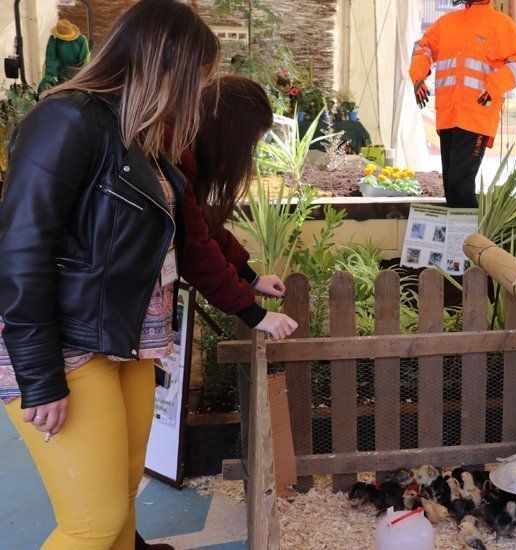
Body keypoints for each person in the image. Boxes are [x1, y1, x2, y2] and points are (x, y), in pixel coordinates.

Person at [0, 1, 219, 548]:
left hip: (125, 342)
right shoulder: (67, 118)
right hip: (67, 347)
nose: (198, 93)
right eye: (197, 77)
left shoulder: (139, 136)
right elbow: (21, 251)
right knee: (92, 523)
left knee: (118, 507)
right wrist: (40, 375)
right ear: (164, 63)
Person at [178, 75, 299, 340]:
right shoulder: (179, 161)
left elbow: (205, 227)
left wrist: (252, 278)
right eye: (249, 146)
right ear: (230, 136)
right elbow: (195, 248)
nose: (249, 156)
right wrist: (256, 315)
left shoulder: (189, 155)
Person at [409, 0, 516, 208]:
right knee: (452, 189)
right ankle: (464, 239)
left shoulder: (501, 25)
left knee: (460, 187)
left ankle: (472, 239)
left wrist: (494, 85)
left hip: (477, 117)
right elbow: (423, 47)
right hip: (447, 117)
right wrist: (418, 76)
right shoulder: (447, 23)